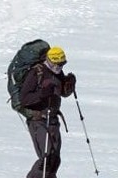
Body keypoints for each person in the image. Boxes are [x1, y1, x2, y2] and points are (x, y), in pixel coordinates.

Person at [18, 45, 75, 178]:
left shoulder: (57, 73)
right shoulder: (36, 72)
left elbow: (61, 92)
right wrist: (42, 94)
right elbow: (24, 99)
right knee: (46, 157)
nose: (59, 68)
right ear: (49, 61)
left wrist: (69, 86)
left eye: (62, 65)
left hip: (53, 118)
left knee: (54, 159)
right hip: (38, 120)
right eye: (56, 65)